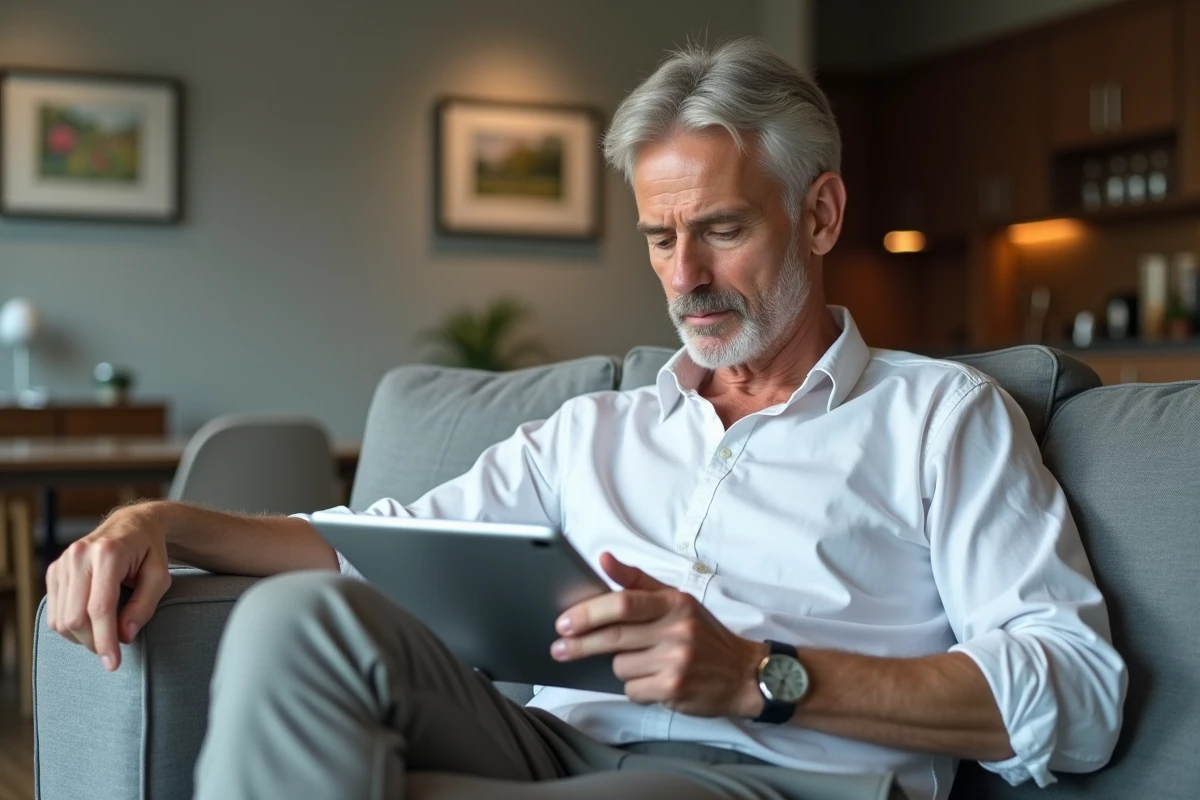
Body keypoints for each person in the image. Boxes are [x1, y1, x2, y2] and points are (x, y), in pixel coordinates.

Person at [44, 37, 1126, 800]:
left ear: (822, 212)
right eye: (660, 237)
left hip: (769, 776)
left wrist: (760, 672)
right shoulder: (591, 429)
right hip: (547, 748)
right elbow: (369, 546)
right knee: (294, 620)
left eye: (721, 228)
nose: (686, 276)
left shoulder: (943, 417)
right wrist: (159, 520)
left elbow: (1075, 692)